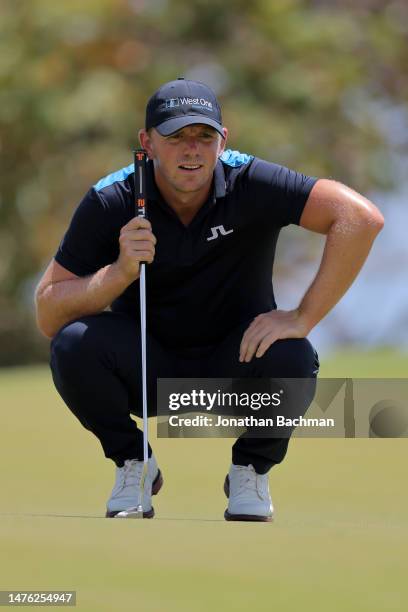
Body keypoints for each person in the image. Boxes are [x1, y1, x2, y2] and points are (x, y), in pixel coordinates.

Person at [34, 77, 384, 521]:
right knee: (72, 344)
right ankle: (133, 462)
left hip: (235, 368)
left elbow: (359, 218)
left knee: (293, 355)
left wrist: (302, 316)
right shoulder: (113, 198)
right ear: (147, 142)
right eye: (176, 136)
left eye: (204, 136)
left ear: (223, 142)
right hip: (147, 371)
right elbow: (48, 313)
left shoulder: (251, 181)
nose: (191, 150)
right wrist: (119, 272)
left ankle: (250, 471)